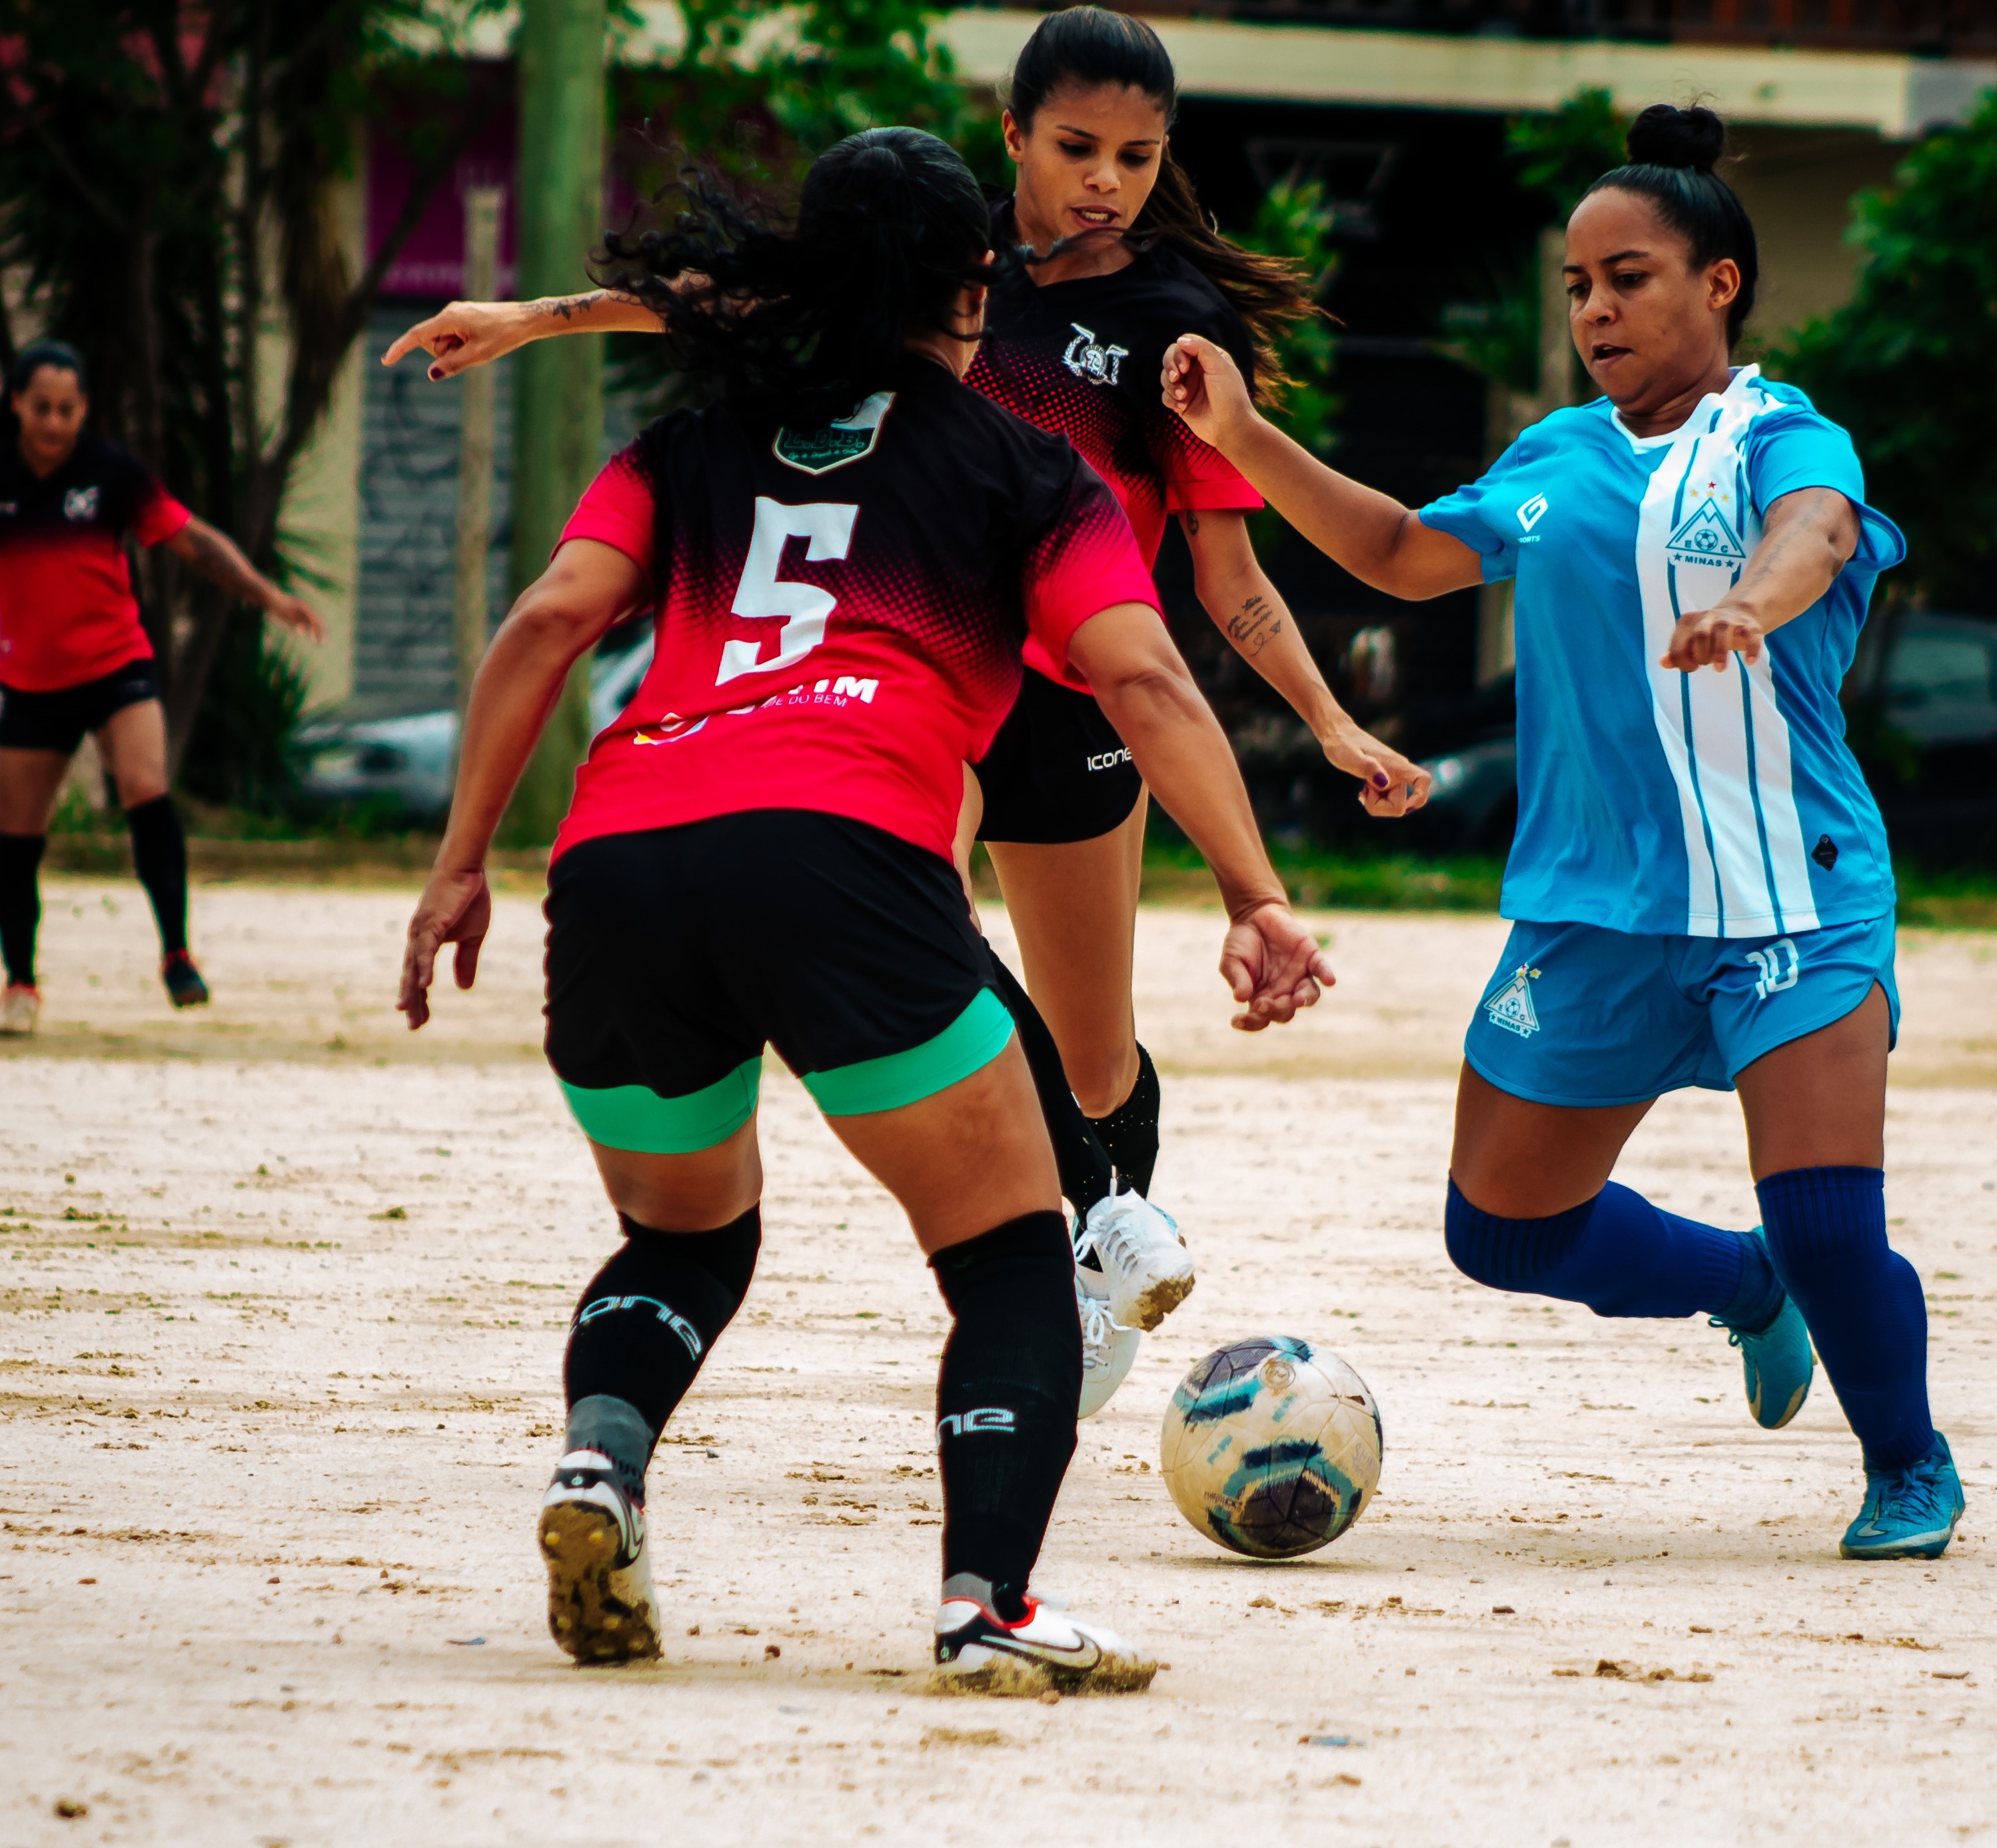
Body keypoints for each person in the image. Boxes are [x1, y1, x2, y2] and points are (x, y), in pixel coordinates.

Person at [380, 6, 1427, 1409]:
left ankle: (1104, 1231)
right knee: (908, 897)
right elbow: (720, 295)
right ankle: (1087, 1221)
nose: (1103, 177)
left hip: (1086, 699)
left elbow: (1223, 574)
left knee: (1093, 1056)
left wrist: (1325, 717)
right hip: (915, 683)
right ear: (1011, 135)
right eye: (1073, 146)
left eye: (1134, 153)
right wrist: (531, 319)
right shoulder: (927, 263)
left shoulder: (1177, 323)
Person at [395, 128, 1337, 1689]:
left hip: (623, 860)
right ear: (972, 289)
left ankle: (599, 1467)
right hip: (839, 852)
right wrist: (1252, 889)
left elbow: (550, 618)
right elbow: (1145, 675)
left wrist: (456, 861)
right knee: (1009, 1258)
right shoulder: (1018, 464)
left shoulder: (688, 442)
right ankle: (987, 1604)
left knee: (682, 1234)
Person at [1158, 105, 1963, 1560]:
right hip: (1593, 912)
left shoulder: (1778, 432)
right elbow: (1401, 553)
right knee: (1503, 1232)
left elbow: (1817, 534)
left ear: (1717, 283)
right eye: (1577, 286)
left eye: (1628, 277)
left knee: (1836, 1224)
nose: (1594, 308)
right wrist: (1243, 434)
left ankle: (1905, 1462)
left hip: (1790, 896)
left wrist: (1747, 604)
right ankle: (1741, 1284)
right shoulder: (1552, 455)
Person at [0, 341, 324, 1037]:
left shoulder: (111, 474)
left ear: (84, 409)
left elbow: (194, 541)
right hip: (33, 682)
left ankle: (177, 953)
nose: (54, 422)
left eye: (68, 409)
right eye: (42, 407)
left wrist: (268, 595)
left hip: (115, 666)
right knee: (16, 839)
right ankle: (20, 984)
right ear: (16, 403)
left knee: (145, 783)